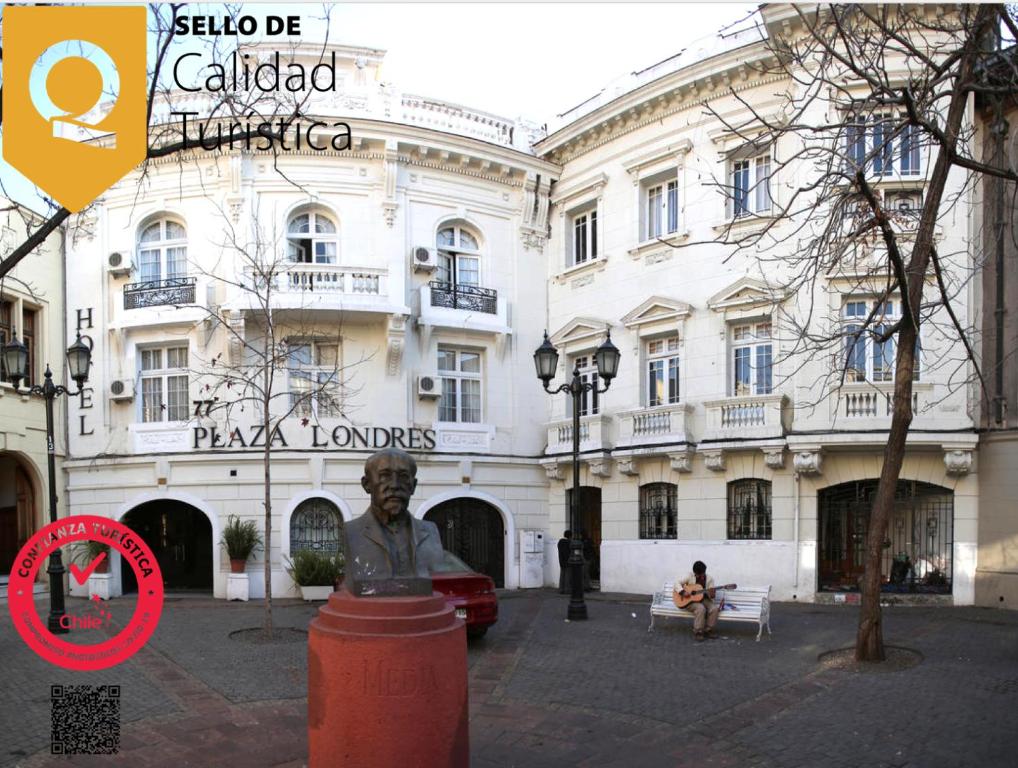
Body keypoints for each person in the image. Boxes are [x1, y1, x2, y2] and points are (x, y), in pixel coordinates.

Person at [342, 448, 445, 593]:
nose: (395, 485)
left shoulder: (430, 531)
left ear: (413, 486)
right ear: (367, 484)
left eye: (403, 476)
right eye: (385, 476)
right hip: (373, 610)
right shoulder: (352, 531)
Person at [676, 560, 720, 641]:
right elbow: (677, 583)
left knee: (714, 609)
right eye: (697, 575)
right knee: (700, 608)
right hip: (689, 601)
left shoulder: (709, 579)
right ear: (694, 572)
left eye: (702, 574)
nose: (700, 576)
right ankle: (698, 631)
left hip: (704, 599)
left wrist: (711, 594)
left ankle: (708, 630)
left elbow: (712, 596)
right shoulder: (689, 576)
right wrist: (682, 592)